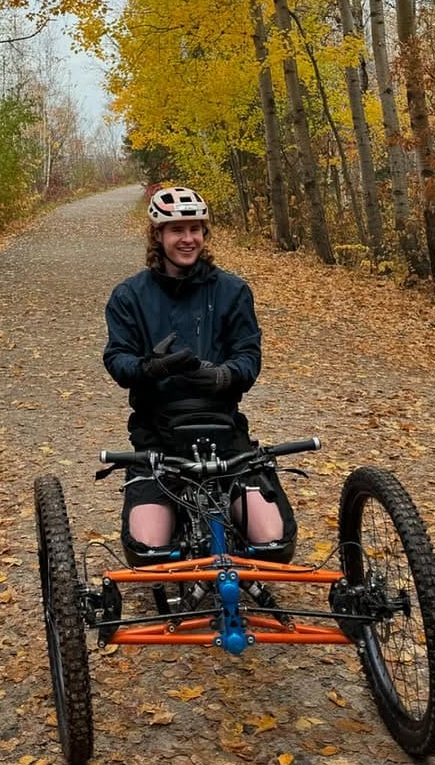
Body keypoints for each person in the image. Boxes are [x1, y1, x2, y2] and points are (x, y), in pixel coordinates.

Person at [103, 185, 294, 564]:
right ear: (158, 235)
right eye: (177, 230)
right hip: (158, 435)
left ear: (205, 234)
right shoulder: (129, 296)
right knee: (149, 553)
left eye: (195, 229)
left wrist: (223, 376)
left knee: (273, 544)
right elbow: (117, 359)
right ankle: (172, 515)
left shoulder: (232, 291)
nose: (188, 239)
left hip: (224, 431)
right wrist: (151, 368)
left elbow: (248, 356)